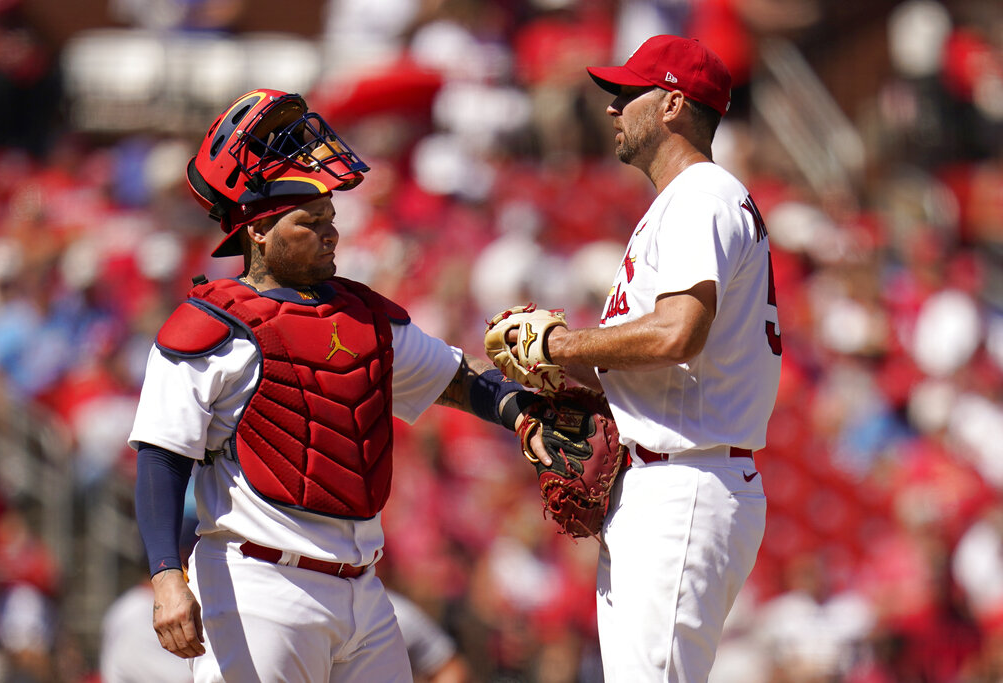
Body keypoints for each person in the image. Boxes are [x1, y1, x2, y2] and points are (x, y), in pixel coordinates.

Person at [128, 89, 540, 683]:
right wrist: (168, 578)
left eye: (331, 220)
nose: (331, 233)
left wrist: (527, 412)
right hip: (257, 586)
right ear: (260, 231)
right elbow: (161, 458)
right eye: (310, 222)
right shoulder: (211, 325)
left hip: (365, 591)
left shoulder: (364, 315)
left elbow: (458, 380)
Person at [516, 36, 782, 681]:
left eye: (627, 94)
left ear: (670, 105)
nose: (612, 109)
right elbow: (670, 351)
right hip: (666, 477)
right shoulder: (689, 200)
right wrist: (559, 381)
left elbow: (677, 334)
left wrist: (560, 345)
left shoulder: (701, 196)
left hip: (684, 480)